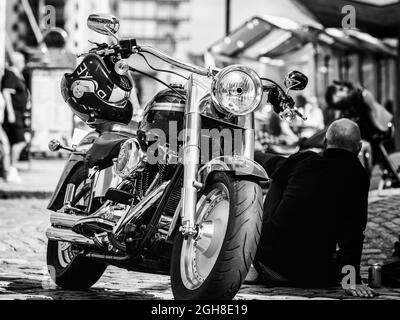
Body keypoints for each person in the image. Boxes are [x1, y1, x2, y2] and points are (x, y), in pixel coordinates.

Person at [254, 119, 377, 298]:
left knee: (280, 173)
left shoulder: (303, 160)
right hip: (313, 277)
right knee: (282, 169)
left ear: (325, 143)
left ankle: (262, 247)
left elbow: (272, 162)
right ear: (358, 148)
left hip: (267, 264)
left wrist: (252, 154)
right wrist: (351, 280)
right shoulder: (358, 176)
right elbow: (353, 235)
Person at [1, 52, 29, 183]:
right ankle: (12, 169)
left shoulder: (18, 75)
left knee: (16, 142)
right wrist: (11, 113)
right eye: (22, 61)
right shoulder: (11, 73)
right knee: (19, 142)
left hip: (19, 114)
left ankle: (11, 169)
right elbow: (7, 93)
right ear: (18, 62)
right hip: (14, 115)